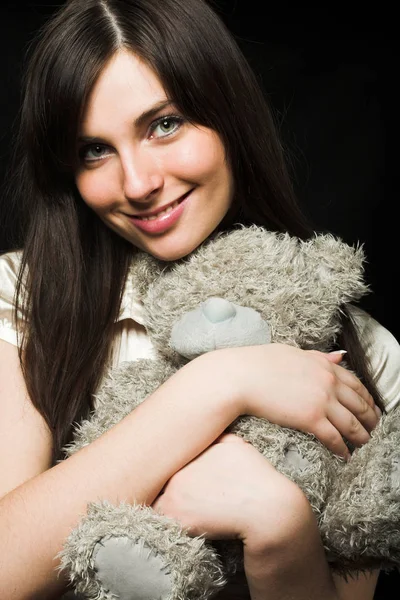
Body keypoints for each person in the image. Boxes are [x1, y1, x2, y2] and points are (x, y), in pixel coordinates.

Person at [0, 0, 399, 598]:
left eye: (164, 124)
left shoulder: (364, 352)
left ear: (230, 119)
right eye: (94, 150)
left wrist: (280, 528)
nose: (137, 184)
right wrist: (219, 383)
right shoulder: (25, 295)